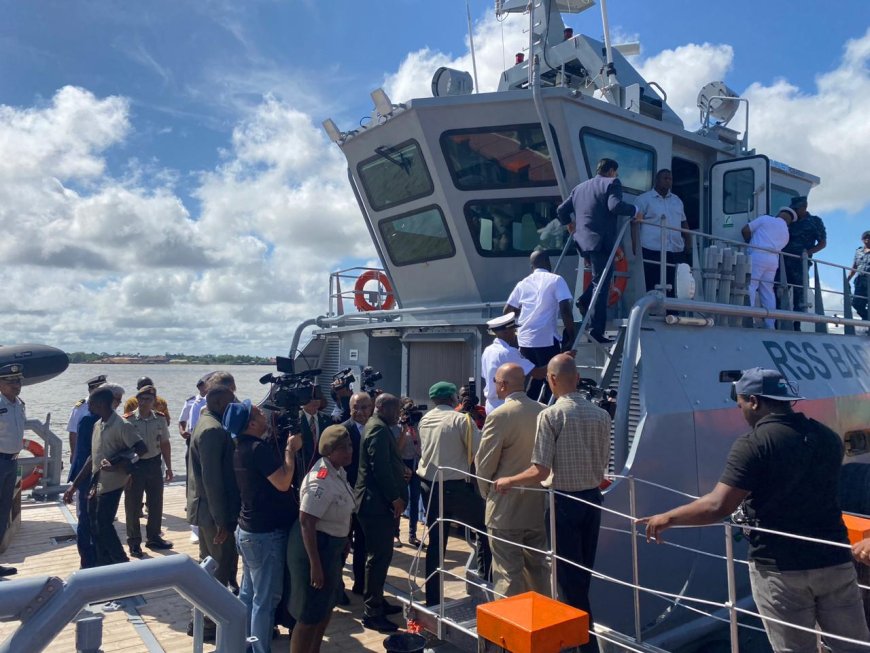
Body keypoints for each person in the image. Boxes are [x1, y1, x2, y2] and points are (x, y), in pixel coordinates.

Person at [638, 368, 869, 652]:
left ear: (755, 401)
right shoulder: (828, 437)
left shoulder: (753, 444)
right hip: (835, 561)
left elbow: (717, 506)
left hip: (780, 571)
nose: (742, 412)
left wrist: (668, 518)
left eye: (741, 405)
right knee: (854, 647)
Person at [495, 354, 610, 653]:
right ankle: (585, 641)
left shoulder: (551, 416)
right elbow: (602, 469)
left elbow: (540, 471)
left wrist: (508, 481)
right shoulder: (602, 416)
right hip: (593, 502)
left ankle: (583, 645)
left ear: (554, 380)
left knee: (567, 580)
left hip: (564, 503)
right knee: (581, 576)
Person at [223, 400, 301, 653]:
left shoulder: (241, 447)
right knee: (265, 601)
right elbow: (283, 482)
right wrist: (290, 450)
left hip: (246, 530)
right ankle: (260, 650)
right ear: (252, 423)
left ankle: (243, 644)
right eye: (257, 412)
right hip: (264, 535)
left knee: (248, 595)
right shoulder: (257, 449)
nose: (262, 413)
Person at [475, 363, 549, 597]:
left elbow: (484, 462)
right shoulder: (544, 410)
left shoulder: (499, 416)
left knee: (508, 572)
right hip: (537, 505)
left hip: (505, 506)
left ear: (503, 385)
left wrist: (488, 494)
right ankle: (541, 620)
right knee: (538, 570)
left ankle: (511, 629)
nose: (494, 386)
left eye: (495, 381)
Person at [417, 382, 491, 607]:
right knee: (485, 526)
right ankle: (483, 579)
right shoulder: (462, 420)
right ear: (452, 399)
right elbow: (480, 450)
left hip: (428, 487)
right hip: (455, 487)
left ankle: (433, 600)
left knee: (436, 544)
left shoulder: (424, 419)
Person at [557, 158, 643, 344]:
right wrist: (635, 210)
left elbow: (561, 210)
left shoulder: (580, 188)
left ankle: (584, 300)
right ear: (612, 170)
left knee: (600, 278)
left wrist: (570, 225)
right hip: (600, 241)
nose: (617, 175)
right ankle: (597, 330)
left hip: (582, 242)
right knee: (602, 284)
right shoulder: (612, 183)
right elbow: (615, 206)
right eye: (616, 172)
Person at [287, 425, 355, 653]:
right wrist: (315, 565)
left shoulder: (338, 471)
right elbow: (306, 521)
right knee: (309, 614)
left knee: (326, 606)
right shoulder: (320, 480)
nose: (350, 451)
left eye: (350, 446)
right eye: (344, 448)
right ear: (331, 450)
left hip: (331, 548)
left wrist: (345, 541)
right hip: (315, 549)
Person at [186, 385, 240, 640]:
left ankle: (201, 620)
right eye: (230, 402)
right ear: (219, 403)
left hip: (207, 511)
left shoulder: (205, 422)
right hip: (213, 514)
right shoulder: (213, 430)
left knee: (207, 569)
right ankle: (208, 624)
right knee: (218, 569)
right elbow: (212, 480)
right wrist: (221, 521)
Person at [354, 393, 407, 632]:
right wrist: (394, 497)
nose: (398, 415)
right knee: (377, 557)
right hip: (375, 505)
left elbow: (388, 461)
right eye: (395, 410)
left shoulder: (378, 426)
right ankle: (371, 611)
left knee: (381, 556)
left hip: (376, 504)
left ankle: (377, 599)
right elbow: (379, 467)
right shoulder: (377, 429)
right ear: (383, 408)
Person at [89, 384, 147, 567]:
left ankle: (121, 561)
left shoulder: (122, 425)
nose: (88, 405)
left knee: (104, 523)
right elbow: (94, 455)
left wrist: (118, 464)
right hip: (97, 482)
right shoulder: (98, 424)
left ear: (100, 404)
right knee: (95, 525)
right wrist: (75, 485)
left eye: (91, 402)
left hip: (113, 483)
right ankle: (102, 562)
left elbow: (141, 449)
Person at [505, 251, 575, 401]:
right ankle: (550, 414)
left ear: (532, 266)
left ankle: (529, 411)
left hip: (524, 341)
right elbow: (565, 309)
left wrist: (522, 314)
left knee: (535, 379)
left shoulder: (522, 283)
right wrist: (571, 335)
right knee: (553, 381)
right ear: (548, 263)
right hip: (546, 340)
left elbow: (507, 311)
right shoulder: (556, 280)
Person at [123, 385, 174, 558]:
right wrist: (126, 472)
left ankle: (154, 537)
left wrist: (169, 467)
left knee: (156, 503)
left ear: (154, 401)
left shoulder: (159, 419)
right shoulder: (128, 420)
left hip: (154, 463)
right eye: (142, 399)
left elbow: (165, 443)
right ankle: (134, 542)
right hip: (135, 466)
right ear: (137, 400)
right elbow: (122, 447)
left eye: (149, 399)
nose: (145, 402)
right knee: (132, 505)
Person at [633, 169, 690, 294]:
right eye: (665, 178)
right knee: (653, 284)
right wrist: (635, 247)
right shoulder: (643, 199)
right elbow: (635, 224)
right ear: (656, 180)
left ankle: (672, 312)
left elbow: (683, 222)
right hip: (651, 249)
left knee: (675, 286)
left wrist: (688, 243)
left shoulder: (677, 201)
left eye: (670, 179)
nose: (668, 181)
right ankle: (653, 313)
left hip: (675, 249)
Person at [64, 385, 101, 569]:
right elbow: (86, 451)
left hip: (98, 475)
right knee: (85, 518)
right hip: (86, 474)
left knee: (94, 518)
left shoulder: (107, 420)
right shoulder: (87, 417)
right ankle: (87, 561)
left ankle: (95, 556)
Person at [340, 392, 373, 599]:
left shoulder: (375, 428)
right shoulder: (343, 430)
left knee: (363, 543)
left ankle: (360, 583)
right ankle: (337, 587)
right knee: (341, 543)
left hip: (366, 497)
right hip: (344, 495)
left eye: (364, 407)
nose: (359, 412)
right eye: (355, 408)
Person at [741, 207, 794, 329]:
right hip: (773, 261)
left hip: (757, 255)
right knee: (768, 292)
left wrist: (749, 242)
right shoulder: (786, 234)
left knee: (751, 286)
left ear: (780, 213)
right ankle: (770, 325)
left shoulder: (766, 219)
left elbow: (745, 230)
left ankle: (749, 319)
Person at [481, 313, 544, 413]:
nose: (515, 333)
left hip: (490, 405)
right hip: (506, 406)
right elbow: (539, 374)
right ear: (506, 331)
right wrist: (560, 359)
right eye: (513, 330)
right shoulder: (509, 352)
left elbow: (485, 376)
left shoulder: (487, 351)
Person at [780, 195, 827, 328]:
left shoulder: (815, 221)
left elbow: (822, 243)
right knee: (779, 290)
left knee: (799, 293)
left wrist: (807, 253)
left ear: (804, 207)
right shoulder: (790, 220)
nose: (794, 210)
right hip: (783, 261)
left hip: (801, 263)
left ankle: (796, 325)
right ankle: (777, 321)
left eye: (796, 208)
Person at [0, 364, 25, 576]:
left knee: (2, 512)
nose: (17, 385)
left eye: (18, 381)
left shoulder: (19, 404)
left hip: (12, 462)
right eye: (11, 382)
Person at [397, 397, 423, 548]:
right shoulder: (399, 425)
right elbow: (397, 449)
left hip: (416, 463)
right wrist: (404, 427)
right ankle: (395, 534)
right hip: (403, 464)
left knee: (414, 499)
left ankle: (412, 535)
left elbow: (421, 447)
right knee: (400, 499)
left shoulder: (418, 425)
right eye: (408, 409)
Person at [66, 374, 107, 461]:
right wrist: (74, 453)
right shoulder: (81, 407)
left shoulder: (108, 404)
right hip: (84, 450)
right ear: (91, 389)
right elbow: (73, 431)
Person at [300, 388, 332, 474]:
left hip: (322, 468)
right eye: (311, 398)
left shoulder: (327, 419)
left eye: (318, 398)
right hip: (302, 469)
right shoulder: (295, 420)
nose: (315, 401)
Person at [847, 230, 870, 322]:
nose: (867, 239)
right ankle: (867, 318)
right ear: (862, 239)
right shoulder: (858, 251)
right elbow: (854, 266)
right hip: (860, 281)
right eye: (865, 237)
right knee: (856, 303)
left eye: (869, 237)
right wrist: (847, 279)